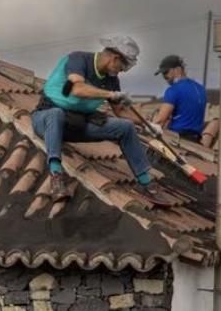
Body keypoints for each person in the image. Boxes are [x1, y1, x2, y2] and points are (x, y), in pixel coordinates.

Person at [30, 35, 157, 199]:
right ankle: (56, 177)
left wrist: (147, 124)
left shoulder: (111, 80)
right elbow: (77, 89)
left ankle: (146, 183)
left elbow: (121, 112)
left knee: (125, 127)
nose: (122, 71)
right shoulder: (78, 59)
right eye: (123, 66)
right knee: (56, 114)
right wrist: (111, 94)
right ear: (115, 57)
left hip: (76, 126)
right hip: (47, 121)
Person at [152, 54, 207, 142]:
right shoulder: (201, 89)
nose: (164, 77)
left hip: (178, 139)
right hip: (196, 140)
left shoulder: (173, 90)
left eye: (166, 72)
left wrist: (148, 128)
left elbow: (160, 120)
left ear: (178, 69)